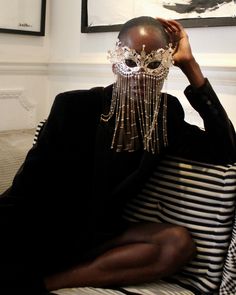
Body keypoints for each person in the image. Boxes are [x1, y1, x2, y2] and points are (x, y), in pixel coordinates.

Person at [0, 16, 236, 295]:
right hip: (41, 228)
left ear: (167, 65)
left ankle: (47, 284)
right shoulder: (75, 106)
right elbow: (30, 189)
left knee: (177, 243)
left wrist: (191, 66)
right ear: (115, 62)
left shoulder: (165, 115)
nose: (139, 74)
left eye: (154, 63)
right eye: (131, 61)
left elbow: (225, 148)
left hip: (100, 232)